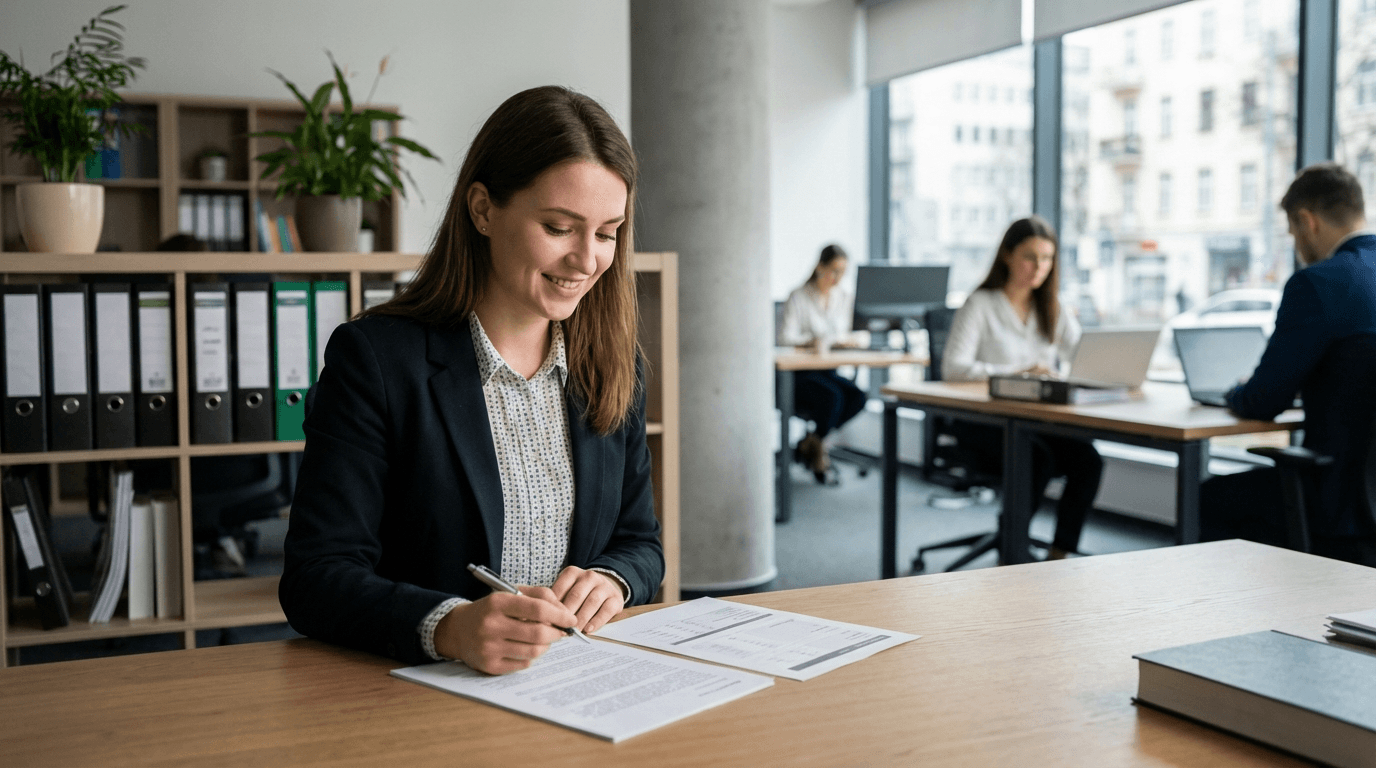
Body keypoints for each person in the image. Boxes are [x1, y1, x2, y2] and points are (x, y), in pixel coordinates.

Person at [279, 86, 665, 674]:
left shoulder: (614, 363)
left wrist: (614, 578)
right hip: (424, 691)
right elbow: (315, 576)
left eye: (607, 233)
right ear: (483, 209)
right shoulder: (377, 361)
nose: (587, 260)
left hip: (577, 682)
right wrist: (449, 627)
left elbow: (640, 543)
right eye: (559, 228)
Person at [1201, 162, 1376, 566]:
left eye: (1293, 232)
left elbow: (1263, 401)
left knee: (1208, 500)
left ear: (1307, 221)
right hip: (1367, 503)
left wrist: (1235, 391)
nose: (1296, 243)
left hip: (1339, 503)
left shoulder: (1318, 283)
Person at [941, 216, 1104, 561]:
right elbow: (953, 368)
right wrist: (1017, 375)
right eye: (1030, 257)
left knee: (1088, 460)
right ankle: (1012, 548)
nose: (1039, 267)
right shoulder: (981, 304)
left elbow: (1082, 357)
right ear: (1008, 255)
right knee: (1034, 458)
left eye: (1047, 258)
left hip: (1036, 421)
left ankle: (1058, 555)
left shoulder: (1052, 307)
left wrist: (1109, 371)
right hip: (984, 422)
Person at [779, 244, 867, 483]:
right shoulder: (798, 296)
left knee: (858, 397)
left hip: (827, 368)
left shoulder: (843, 297)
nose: (838, 278)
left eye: (843, 272)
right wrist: (811, 341)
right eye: (834, 271)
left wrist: (846, 341)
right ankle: (818, 450)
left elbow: (843, 332)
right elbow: (785, 338)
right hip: (799, 374)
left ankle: (812, 443)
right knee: (833, 397)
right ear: (820, 267)